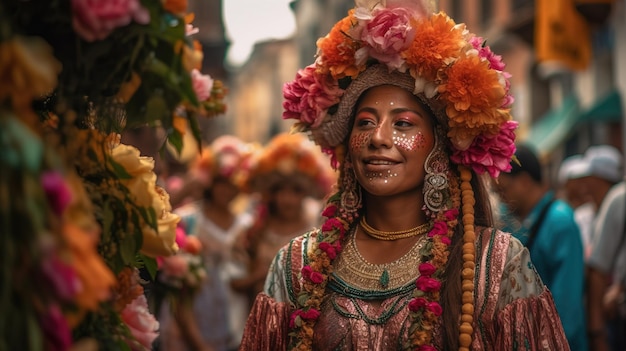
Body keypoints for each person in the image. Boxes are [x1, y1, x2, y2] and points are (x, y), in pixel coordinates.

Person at [238, 1, 569, 350]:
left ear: (438, 146)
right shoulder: (296, 266)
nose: (378, 138)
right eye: (365, 122)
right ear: (349, 144)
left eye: (403, 124)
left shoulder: (498, 264)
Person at [159, 135, 254, 351]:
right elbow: (178, 288)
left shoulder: (247, 225)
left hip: (235, 330)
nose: (227, 190)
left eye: (233, 183)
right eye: (222, 182)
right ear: (209, 179)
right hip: (190, 328)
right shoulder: (188, 220)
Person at [494, 144, 587, 350]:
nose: (501, 198)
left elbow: (567, 306)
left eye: (504, 189)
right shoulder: (512, 220)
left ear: (525, 181)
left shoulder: (560, 222)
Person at [231, 132, 334, 306]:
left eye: (296, 190)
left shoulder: (320, 232)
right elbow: (233, 281)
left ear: (307, 192)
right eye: (280, 190)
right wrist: (260, 276)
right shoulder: (251, 233)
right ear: (270, 193)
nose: (287, 199)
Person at [580, 145, 625, 351]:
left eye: (588, 176)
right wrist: (597, 332)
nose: (584, 183)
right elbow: (597, 269)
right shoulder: (618, 199)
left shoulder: (617, 198)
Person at [557, 154, 596, 258]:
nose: (583, 186)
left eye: (585, 180)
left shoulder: (594, 211)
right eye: (577, 181)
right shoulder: (559, 213)